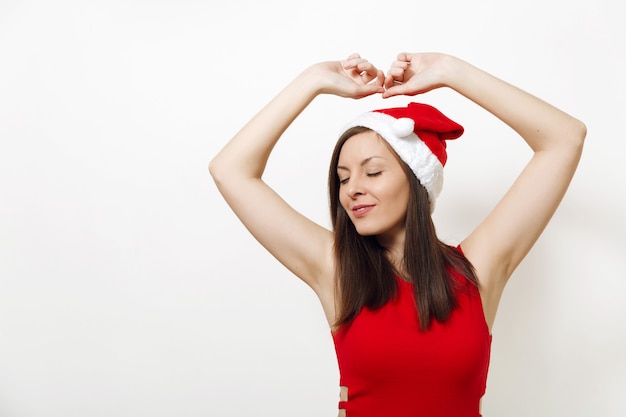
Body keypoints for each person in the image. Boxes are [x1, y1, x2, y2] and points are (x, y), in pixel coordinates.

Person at [208, 52, 586, 417]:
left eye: (372, 172)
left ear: (416, 180)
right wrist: (315, 80)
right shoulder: (336, 270)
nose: (352, 188)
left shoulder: (477, 271)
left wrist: (451, 71)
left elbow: (564, 138)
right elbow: (231, 170)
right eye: (342, 178)